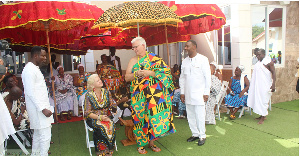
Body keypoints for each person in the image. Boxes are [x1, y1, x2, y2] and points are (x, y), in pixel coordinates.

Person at [125, 37, 175, 154]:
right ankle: (140, 144)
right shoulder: (133, 60)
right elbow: (127, 77)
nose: (134, 49)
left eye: (136, 47)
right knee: (140, 118)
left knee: (152, 117)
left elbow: (166, 74)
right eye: (133, 47)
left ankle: (151, 143)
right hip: (138, 95)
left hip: (154, 95)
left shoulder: (155, 58)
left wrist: (150, 73)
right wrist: (136, 74)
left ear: (143, 45)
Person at [22, 46, 54, 156]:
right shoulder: (30, 70)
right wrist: (43, 108)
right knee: (45, 137)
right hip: (39, 110)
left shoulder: (34, 68)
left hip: (39, 109)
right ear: (36, 56)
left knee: (37, 136)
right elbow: (30, 92)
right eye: (43, 56)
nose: (45, 58)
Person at [179, 40, 211, 146]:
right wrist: (182, 92)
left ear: (194, 47)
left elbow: (208, 77)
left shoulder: (203, 59)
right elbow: (182, 78)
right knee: (191, 115)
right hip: (188, 93)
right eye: (185, 46)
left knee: (200, 115)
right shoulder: (184, 61)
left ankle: (202, 135)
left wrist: (206, 92)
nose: (186, 48)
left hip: (199, 94)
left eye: (187, 46)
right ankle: (195, 134)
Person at [84, 74, 117, 156]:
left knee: (111, 125)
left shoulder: (106, 92)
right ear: (92, 84)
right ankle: (102, 152)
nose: (100, 81)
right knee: (101, 127)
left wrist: (115, 108)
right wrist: (99, 117)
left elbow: (112, 104)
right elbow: (87, 113)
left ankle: (109, 150)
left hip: (105, 116)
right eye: (97, 81)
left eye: (100, 79)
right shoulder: (89, 95)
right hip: (94, 118)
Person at [247, 48, 276, 125]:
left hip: (265, 85)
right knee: (259, 99)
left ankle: (263, 117)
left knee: (264, 100)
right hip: (258, 85)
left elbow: (273, 73)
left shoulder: (269, 62)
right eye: (257, 55)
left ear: (264, 54)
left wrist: (273, 85)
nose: (258, 56)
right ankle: (261, 115)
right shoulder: (259, 62)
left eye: (259, 55)